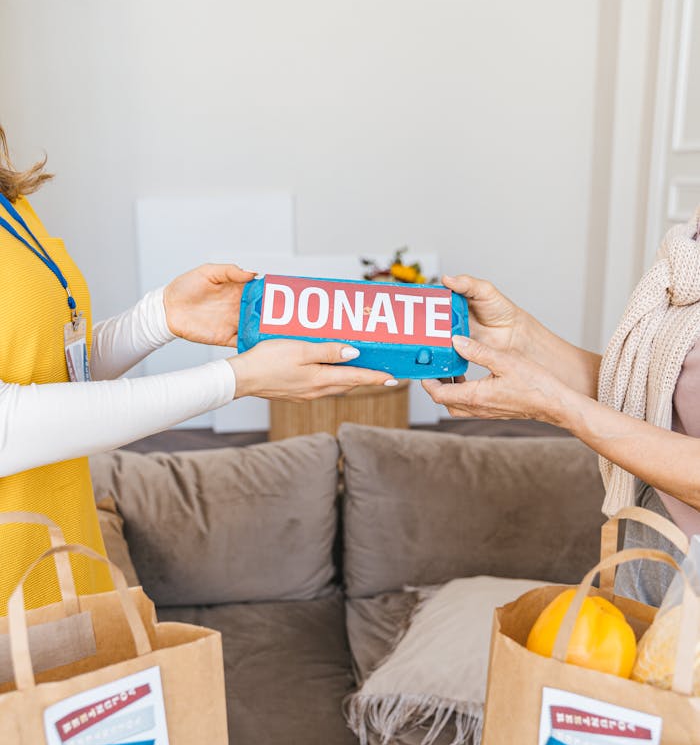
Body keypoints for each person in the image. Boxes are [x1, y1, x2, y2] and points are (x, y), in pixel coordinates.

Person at [0, 129, 395, 612]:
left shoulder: (13, 202)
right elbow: (8, 423)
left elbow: (53, 373)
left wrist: (159, 317)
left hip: (63, 572)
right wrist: (238, 378)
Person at [423, 208, 700, 606]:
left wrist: (555, 406)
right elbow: (644, 396)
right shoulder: (688, 243)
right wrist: (518, 336)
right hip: (654, 567)